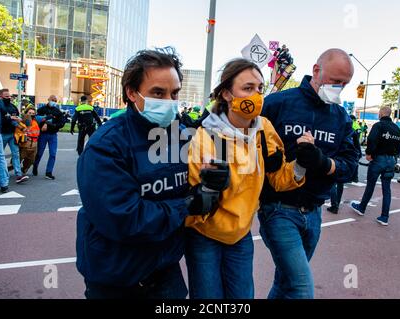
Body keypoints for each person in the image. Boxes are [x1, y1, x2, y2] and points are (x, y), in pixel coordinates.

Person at [75, 48, 226, 299]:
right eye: (158, 92)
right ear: (132, 92)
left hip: (165, 271)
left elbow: (203, 180)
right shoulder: (106, 145)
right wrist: (187, 205)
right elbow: (123, 218)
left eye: (174, 93)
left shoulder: (182, 132)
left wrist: (215, 179)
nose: (169, 101)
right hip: (116, 277)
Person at [185, 58, 307, 299]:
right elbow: (191, 205)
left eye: (260, 88)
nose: (257, 95)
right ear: (227, 94)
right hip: (204, 236)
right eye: (248, 88)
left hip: (241, 235)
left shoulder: (264, 131)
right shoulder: (206, 136)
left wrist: (302, 163)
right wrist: (208, 189)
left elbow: (279, 179)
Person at [260, 48, 358, 299]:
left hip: (314, 213)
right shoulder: (277, 103)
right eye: (335, 81)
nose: (339, 88)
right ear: (316, 70)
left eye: (344, 84)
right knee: (301, 289)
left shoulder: (341, 116)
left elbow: (350, 166)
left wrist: (323, 163)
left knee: (285, 283)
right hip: (278, 209)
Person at [350, 106, 400, 226]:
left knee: (370, 184)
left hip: (379, 159)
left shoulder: (378, 125)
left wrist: (369, 153)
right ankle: (384, 217)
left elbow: (372, 139)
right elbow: (399, 147)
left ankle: (361, 208)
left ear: (381, 113)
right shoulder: (397, 129)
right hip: (391, 160)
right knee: (387, 189)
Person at [327, 115, 362, 214]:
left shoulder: (338, 128)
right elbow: (357, 146)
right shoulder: (353, 131)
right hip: (345, 159)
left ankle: (334, 205)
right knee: (340, 182)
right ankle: (337, 202)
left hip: (336, 157)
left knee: (333, 182)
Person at [0, 89, 29, 184]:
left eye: (9, 96)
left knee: (16, 154)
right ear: (0, 97)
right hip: (1, 134)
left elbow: (18, 119)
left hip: (13, 134)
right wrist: (10, 118)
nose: (9, 98)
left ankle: (18, 175)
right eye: (6, 97)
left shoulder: (13, 107)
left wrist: (19, 121)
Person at [32, 95, 66, 180]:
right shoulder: (41, 110)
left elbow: (62, 123)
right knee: (39, 153)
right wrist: (43, 124)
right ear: (48, 100)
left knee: (53, 154)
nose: (53, 101)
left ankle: (49, 172)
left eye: (55, 100)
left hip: (53, 135)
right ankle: (35, 165)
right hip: (43, 134)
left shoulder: (58, 112)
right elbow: (35, 121)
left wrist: (53, 125)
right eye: (52, 100)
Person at [18, 106, 41, 175]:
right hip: (25, 143)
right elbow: (19, 130)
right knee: (19, 158)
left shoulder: (36, 121)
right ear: (26, 113)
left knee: (31, 160)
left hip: (34, 143)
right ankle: (5, 170)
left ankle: (24, 169)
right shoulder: (23, 120)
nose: (31, 114)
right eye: (29, 113)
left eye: (33, 113)